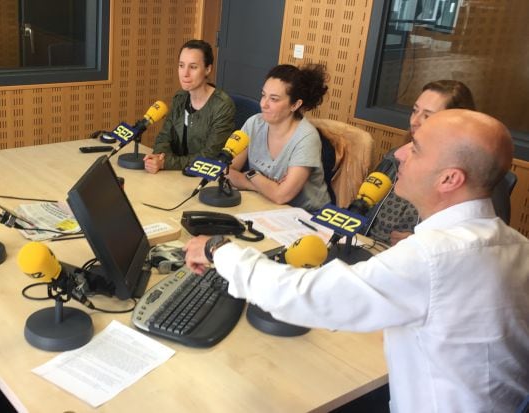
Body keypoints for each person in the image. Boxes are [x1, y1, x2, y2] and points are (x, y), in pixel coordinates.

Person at [185, 109, 529, 411]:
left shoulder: (434, 257)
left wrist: (219, 249)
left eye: (417, 148)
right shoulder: (517, 245)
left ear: (450, 179)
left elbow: (307, 297)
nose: (400, 153)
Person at [364, 80, 476, 245]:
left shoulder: (465, 177)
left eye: (427, 116)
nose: (414, 121)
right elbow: (366, 209)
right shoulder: (395, 156)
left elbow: (469, 241)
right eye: (414, 111)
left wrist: (423, 242)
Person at [226, 64, 331, 212]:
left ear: (295, 104)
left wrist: (251, 175)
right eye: (263, 95)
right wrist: (260, 186)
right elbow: (227, 170)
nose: (263, 104)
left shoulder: (307, 138)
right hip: (265, 205)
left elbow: (282, 196)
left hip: (307, 216)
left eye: (274, 99)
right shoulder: (254, 123)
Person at [144, 39, 235, 173]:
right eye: (181, 65)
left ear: (208, 69)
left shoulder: (222, 106)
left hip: (203, 180)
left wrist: (166, 163)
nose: (185, 73)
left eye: (193, 67)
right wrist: (159, 157)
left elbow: (210, 157)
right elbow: (164, 137)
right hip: (175, 175)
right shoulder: (180, 98)